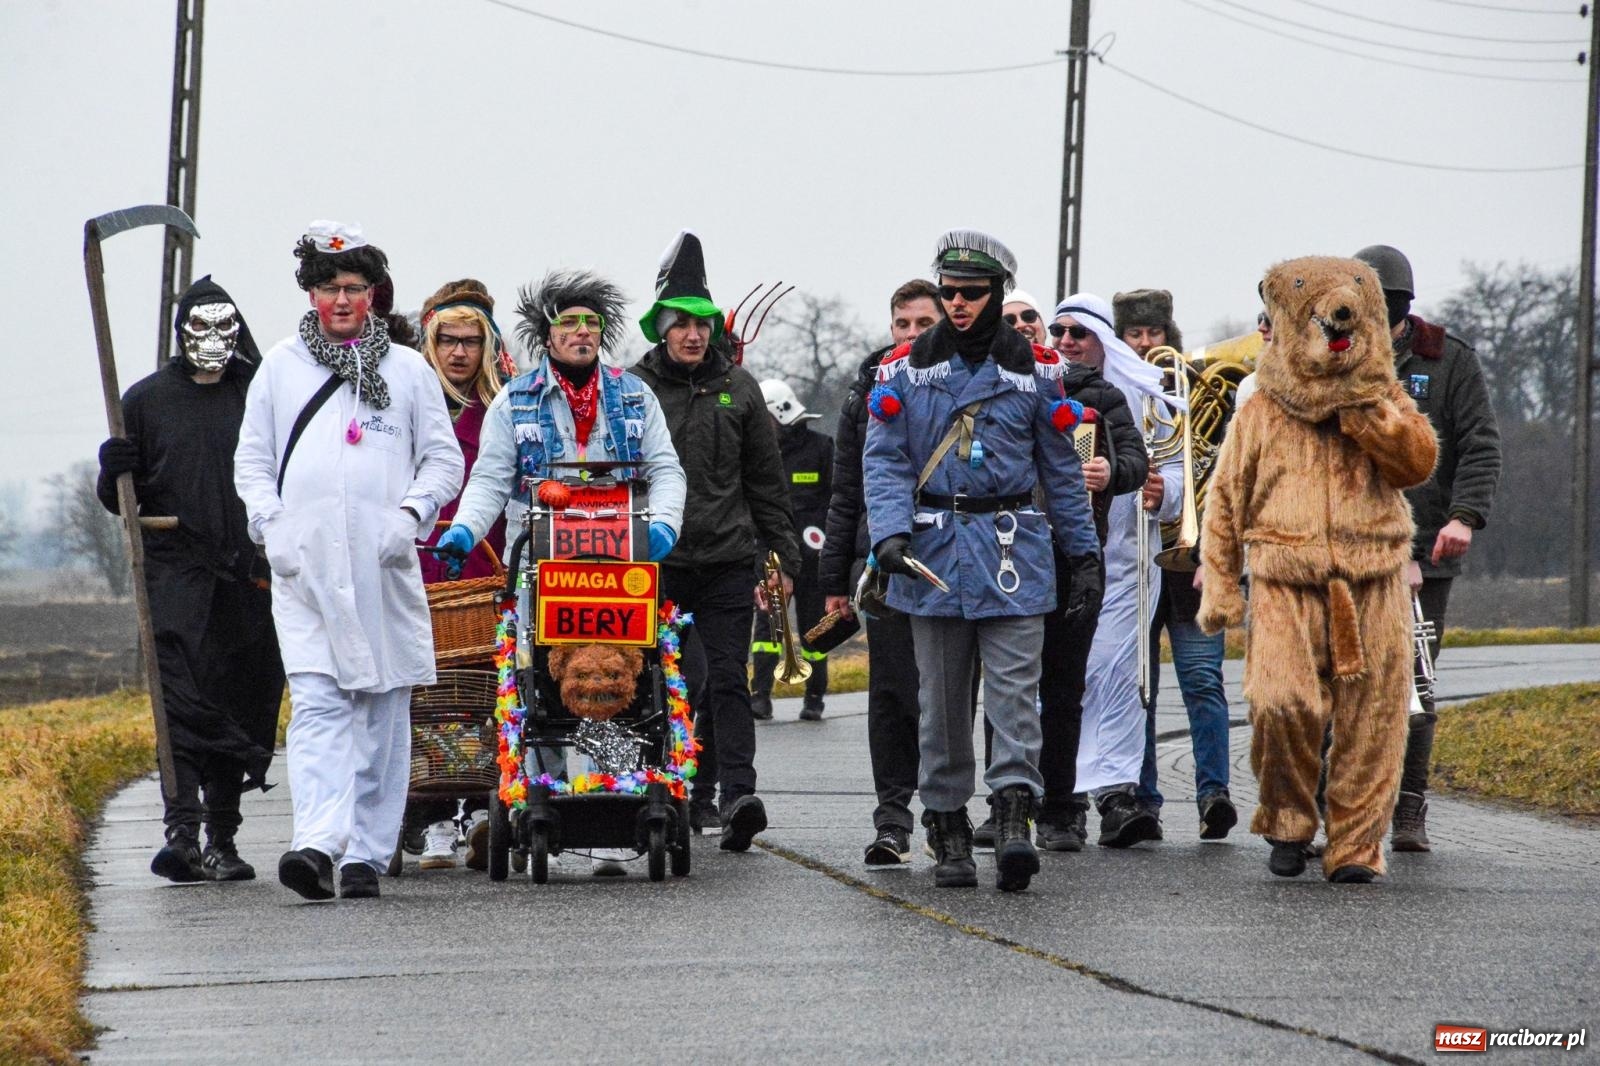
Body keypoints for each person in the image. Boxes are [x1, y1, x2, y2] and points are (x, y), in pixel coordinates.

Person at [864, 230, 1102, 892]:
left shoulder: (1039, 372)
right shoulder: (902, 373)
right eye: (949, 293)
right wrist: (888, 536)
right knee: (941, 705)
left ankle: (1015, 815)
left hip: (1012, 550)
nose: (958, 304)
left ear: (997, 293)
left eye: (971, 293)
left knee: (1015, 696)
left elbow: (1063, 470)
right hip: (934, 553)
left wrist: (1083, 553)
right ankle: (947, 829)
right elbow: (884, 462)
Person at [234, 221, 464, 901]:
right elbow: (252, 461)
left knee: (382, 713)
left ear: (372, 293)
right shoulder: (280, 367)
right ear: (311, 292)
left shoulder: (408, 369)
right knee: (317, 705)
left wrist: (410, 516)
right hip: (305, 572)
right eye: (331, 287)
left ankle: (365, 850)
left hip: (381, 568)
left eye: (354, 288)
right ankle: (315, 844)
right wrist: (270, 525)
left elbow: (443, 459)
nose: (342, 300)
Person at [439, 268, 686, 877]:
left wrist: (664, 526)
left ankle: (612, 809)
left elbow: (666, 469)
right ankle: (549, 796)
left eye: (591, 324)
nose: (581, 333)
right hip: (541, 564)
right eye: (569, 323)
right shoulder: (516, 400)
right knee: (543, 683)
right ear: (547, 334)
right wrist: (466, 529)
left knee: (618, 676)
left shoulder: (634, 395)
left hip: (622, 564)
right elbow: (490, 479)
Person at [1198, 255, 1436, 883]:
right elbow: (1226, 499)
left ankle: (1356, 845)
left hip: (1373, 577)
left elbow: (1417, 465)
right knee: (1280, 703)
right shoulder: (1262, 407)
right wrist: (1220, 583)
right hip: (1285, 579)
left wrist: (1368, 417)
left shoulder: (1382, 396)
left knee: (1373, 720)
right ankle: (1287, 817)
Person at [96, 276, 285, 883]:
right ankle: (180, 831)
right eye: (200, 326)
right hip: (175, 578)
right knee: (179, 699)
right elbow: (119, 500)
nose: (213, 337)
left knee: (239, 699)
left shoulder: (260, 393)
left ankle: (222, 838)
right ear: (182, 332)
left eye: (224, 326)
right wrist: (112, 469)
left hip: (250, 579)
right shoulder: (145, 401)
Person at [631, 231, 800, 852]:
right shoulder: (634, 388)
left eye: (702, 323)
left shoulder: (740, 387)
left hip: (729, 559)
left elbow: (766, 483)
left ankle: (738, 798)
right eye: (680, 323)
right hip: (659, 564)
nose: (693, 334)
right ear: (661, 327)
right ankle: (672, 792)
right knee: (674, 680)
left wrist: (783, 559)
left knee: (728, 676)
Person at [1354, 244, 1501, 852]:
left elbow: (1480, 444)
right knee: (1337, 681)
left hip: (1426, 547)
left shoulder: (1449, 360)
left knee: (1414, 683)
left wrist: (1464, 517)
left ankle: (1409, 805)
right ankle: (1332, 806)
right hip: (1348, 548)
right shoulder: (1332, 356)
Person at [1056, 292, 1185, 849]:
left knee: (1119, 675)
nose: (1066, 342)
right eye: (1059, 332)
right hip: (1061, 558)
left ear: (1102, 339)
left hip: (1129, 557)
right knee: (1067, 676)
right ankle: (1059, 795)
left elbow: (1178, 469)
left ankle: (1115, 793)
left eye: (1078, 333)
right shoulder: (1040, 387)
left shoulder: (1146, 393)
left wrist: (1163, 490)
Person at [820, 279, 942, 865]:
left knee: (943, 696)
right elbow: (846, 491)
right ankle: (892, 817)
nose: (911, 335)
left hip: (950, 556)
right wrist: (833, 582)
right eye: (902, 324)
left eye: (924, 324)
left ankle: (946, 812)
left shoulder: (967, 379)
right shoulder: (867, 389)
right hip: (884, 561)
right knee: (891, 693)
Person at [1115, 288, 1236, 841]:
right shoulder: (1110, 392)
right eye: (1134, 334)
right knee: (1139, 685)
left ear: (1170, 335)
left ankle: (1215, 793)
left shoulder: (1193, 390)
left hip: (1193, 563)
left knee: (1203, 681)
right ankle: (1143, 800)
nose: (1145, 344)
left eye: (1154, 333)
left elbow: (1224, 475)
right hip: (1136, 562)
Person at [406, 278, 511, 872]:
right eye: (448, 340)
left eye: (471, 341)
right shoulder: (410, 403)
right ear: (431, 343)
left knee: (485, 694)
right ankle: (435, 816)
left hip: (486, 569)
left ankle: (480, 808)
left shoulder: (501, 407)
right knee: (430, 697)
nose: (459, 353)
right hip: (422, 568)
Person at [750, 379, 834, 721]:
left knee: (816, 628)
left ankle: (814, 696)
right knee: (768, 628)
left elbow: (837, 501)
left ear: (781, 413)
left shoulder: (822, 448)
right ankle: (760, 696)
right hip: (773, 557)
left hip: (813, 559)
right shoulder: (758, 454)